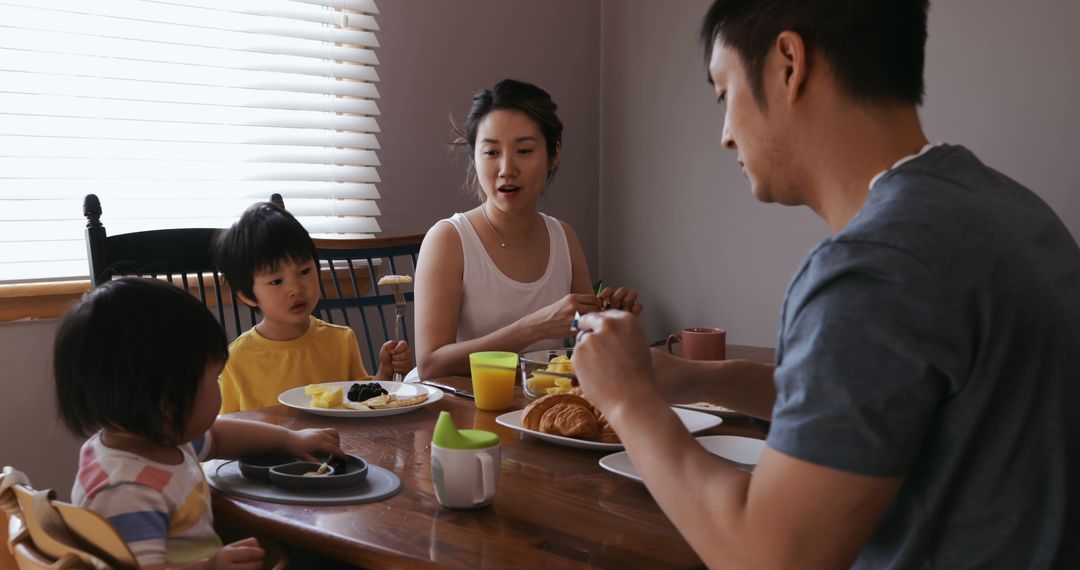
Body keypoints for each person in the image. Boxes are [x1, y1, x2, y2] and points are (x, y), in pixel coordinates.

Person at [571, 1, 1080, 568]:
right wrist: (687, 377)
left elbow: (766, 556)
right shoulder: (1007, 208)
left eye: (724, 94)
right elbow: (870, 398)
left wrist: (627, 400)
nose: (724, 136)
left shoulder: (874, 267)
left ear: (789, 63)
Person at [55, 278, 345, 569]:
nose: (218, 386)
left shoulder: (158, 438)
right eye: (214, 377)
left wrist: (288, 440)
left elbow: (218, 436)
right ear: (170, 400)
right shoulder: (128, 491)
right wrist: (210, 567)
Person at [414, 79, 642, 378]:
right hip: (458, 411)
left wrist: (608, 322)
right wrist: (534, 327)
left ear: (554, 153)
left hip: (537, 406)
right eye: (492, 152)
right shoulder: (448, 239)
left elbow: (578, 332)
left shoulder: (563, 238)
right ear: (473, 157)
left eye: (524, 150)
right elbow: (431, 364)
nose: (507, 168)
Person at [214, 202, 413, 412]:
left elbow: (362, 404)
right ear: (247, 294)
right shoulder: (235, 361)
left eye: (304, 271)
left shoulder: (341, 340)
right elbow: (226, 429)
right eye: (276, 281)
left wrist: (386, 370)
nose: (296, 289)